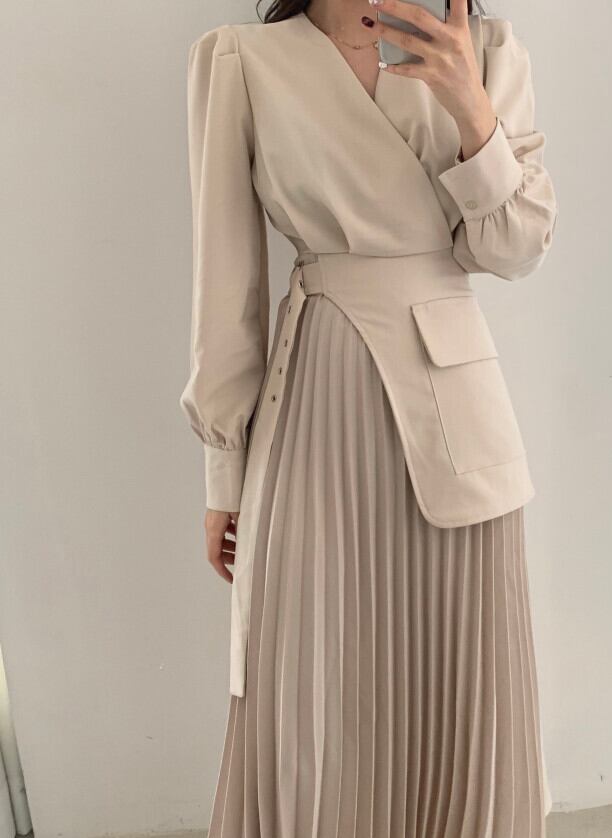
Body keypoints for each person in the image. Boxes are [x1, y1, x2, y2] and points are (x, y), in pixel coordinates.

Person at [179, 0, 558, 833]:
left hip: (455, 418)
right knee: (305, 688)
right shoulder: (242, 59)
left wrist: (471, 107)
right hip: (316, 398)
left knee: (456, 690)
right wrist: (224, 470)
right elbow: (226, 287)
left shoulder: (486, 49)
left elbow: (514, 247)